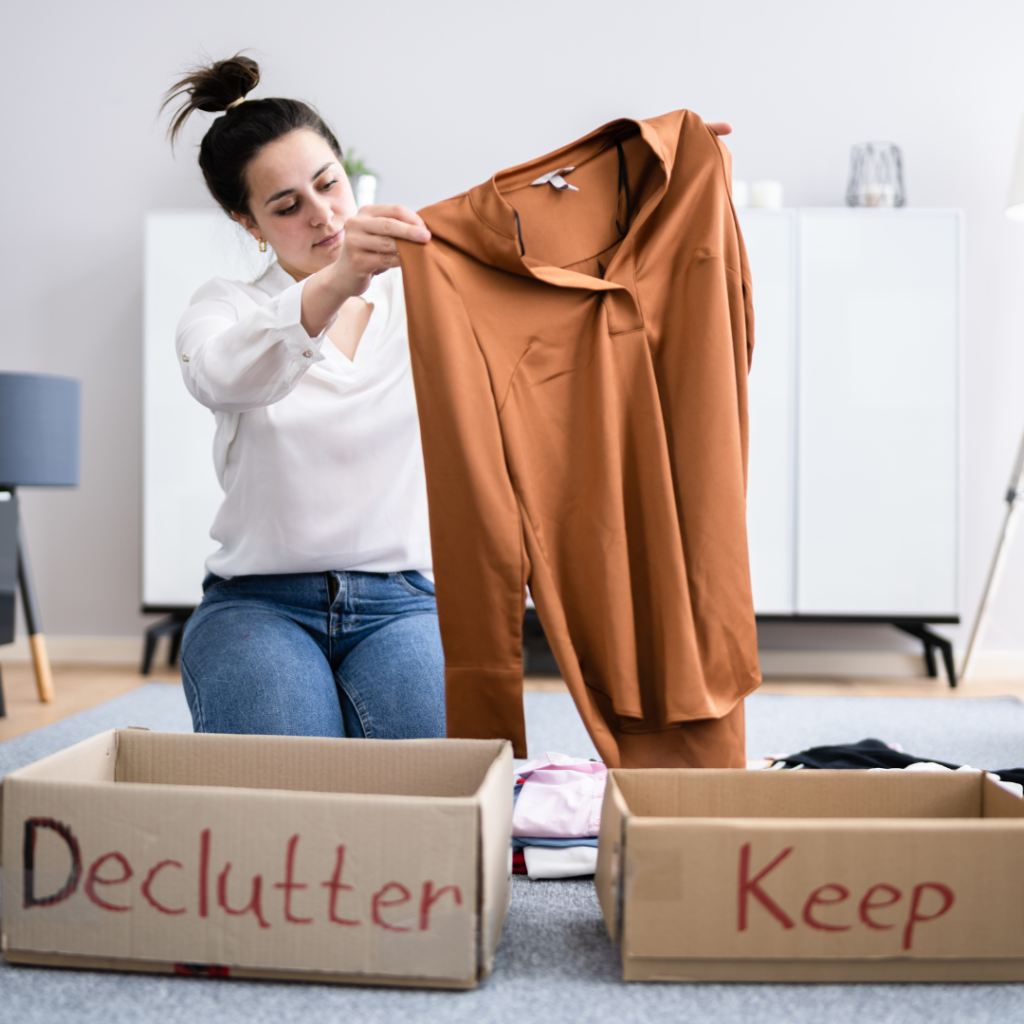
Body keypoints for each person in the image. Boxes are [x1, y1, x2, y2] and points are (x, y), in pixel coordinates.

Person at [164, 53, 733, 742]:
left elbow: (545, 255)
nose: (323, 215)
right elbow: (222, 374)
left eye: (329, 185)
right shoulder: (223, 309)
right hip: (258, 605)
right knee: (284, 788)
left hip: (403, 603)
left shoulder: (424, 297)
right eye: (287, 207)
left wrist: (658, 175)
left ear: (350, 175)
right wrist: (339, 280)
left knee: (445, 790)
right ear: (248, 223)